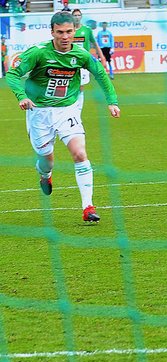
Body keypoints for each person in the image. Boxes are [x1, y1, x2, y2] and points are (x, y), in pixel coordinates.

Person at [4, 11, 120, 223]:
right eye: (60, 32)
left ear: (75, 31)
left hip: (67, 110)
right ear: (52, 32)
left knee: (79, 154)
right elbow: (12, 75)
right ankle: (45, 176)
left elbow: (100, 73)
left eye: (69, 32)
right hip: (38, 112)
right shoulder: (38, 53)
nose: (65, 37)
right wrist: (21, 96)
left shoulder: (81, 55)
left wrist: (112, 101)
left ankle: (88, 207)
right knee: (46, 160)